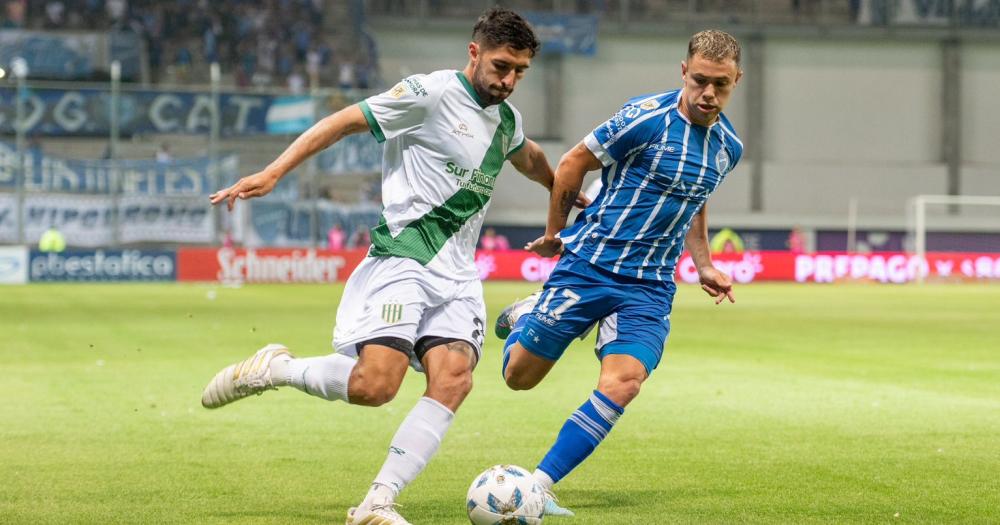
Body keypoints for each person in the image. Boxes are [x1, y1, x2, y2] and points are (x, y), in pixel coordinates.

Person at [200, 9, 580, 525]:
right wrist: (273, 173)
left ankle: (377, 503)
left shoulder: (506, 122)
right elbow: (342, 121)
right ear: (473, 53)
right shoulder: (429, 93)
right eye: (500, 66)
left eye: (519, 72)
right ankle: (277, 368)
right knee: (374, 387)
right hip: (406, 255)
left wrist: (563, 193)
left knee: (454, 380)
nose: (508, 80)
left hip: (459, 274)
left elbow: (530, 156)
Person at [494, 29, 745, 516]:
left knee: (624, 382)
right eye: (699, 81)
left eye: (721, 84)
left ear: (737, 80)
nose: (708, 94)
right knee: (518, 378)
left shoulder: (727, 147)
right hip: (590, 264)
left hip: (649, 286)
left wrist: (704, 262)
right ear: (683, 72)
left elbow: (695, 199)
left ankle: (538, 487)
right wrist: (554, 233)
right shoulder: (644, 118)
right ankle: (529, 315)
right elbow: (571, 164)